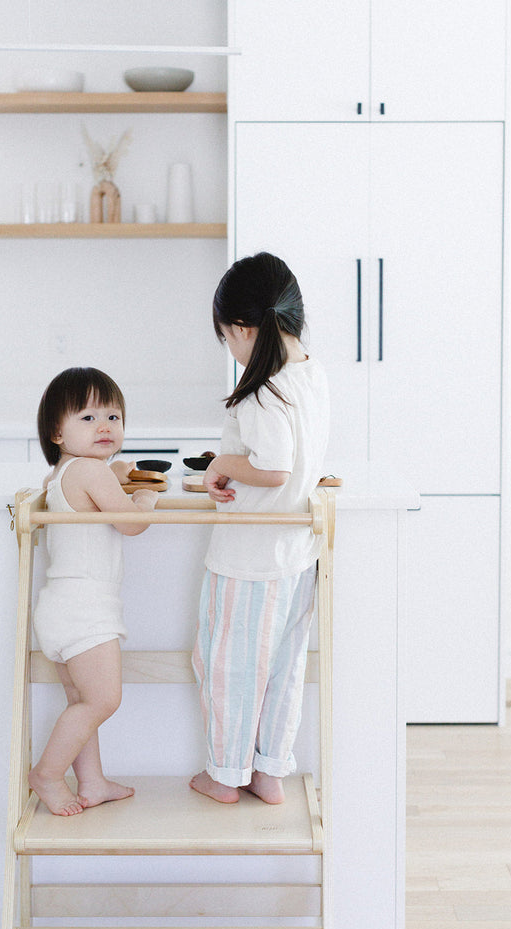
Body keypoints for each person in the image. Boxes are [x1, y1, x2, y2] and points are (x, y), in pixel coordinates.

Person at [190, 252, 330, 805]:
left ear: (244, 329)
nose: (231, 349)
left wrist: (222, 465)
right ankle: (269, 770)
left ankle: (225, 776)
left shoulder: (262, 390)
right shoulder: (311, 376)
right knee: (282, 665)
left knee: (226, 664)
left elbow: (272, 468)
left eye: (227, 337)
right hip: (297, 553)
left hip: (250, 556)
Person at [30, 366, 158, 816]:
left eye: (113, 416)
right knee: (103, 700)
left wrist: (116, 473)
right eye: (87, 418)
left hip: (60, 606)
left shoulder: (64, 474)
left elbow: (93, 492)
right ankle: (47, 774)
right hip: (85, 608)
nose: (104, 426)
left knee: (82, 702)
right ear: (56, 432)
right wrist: (144, 499)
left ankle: (92, 781)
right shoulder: (90, 471)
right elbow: (131, 523)